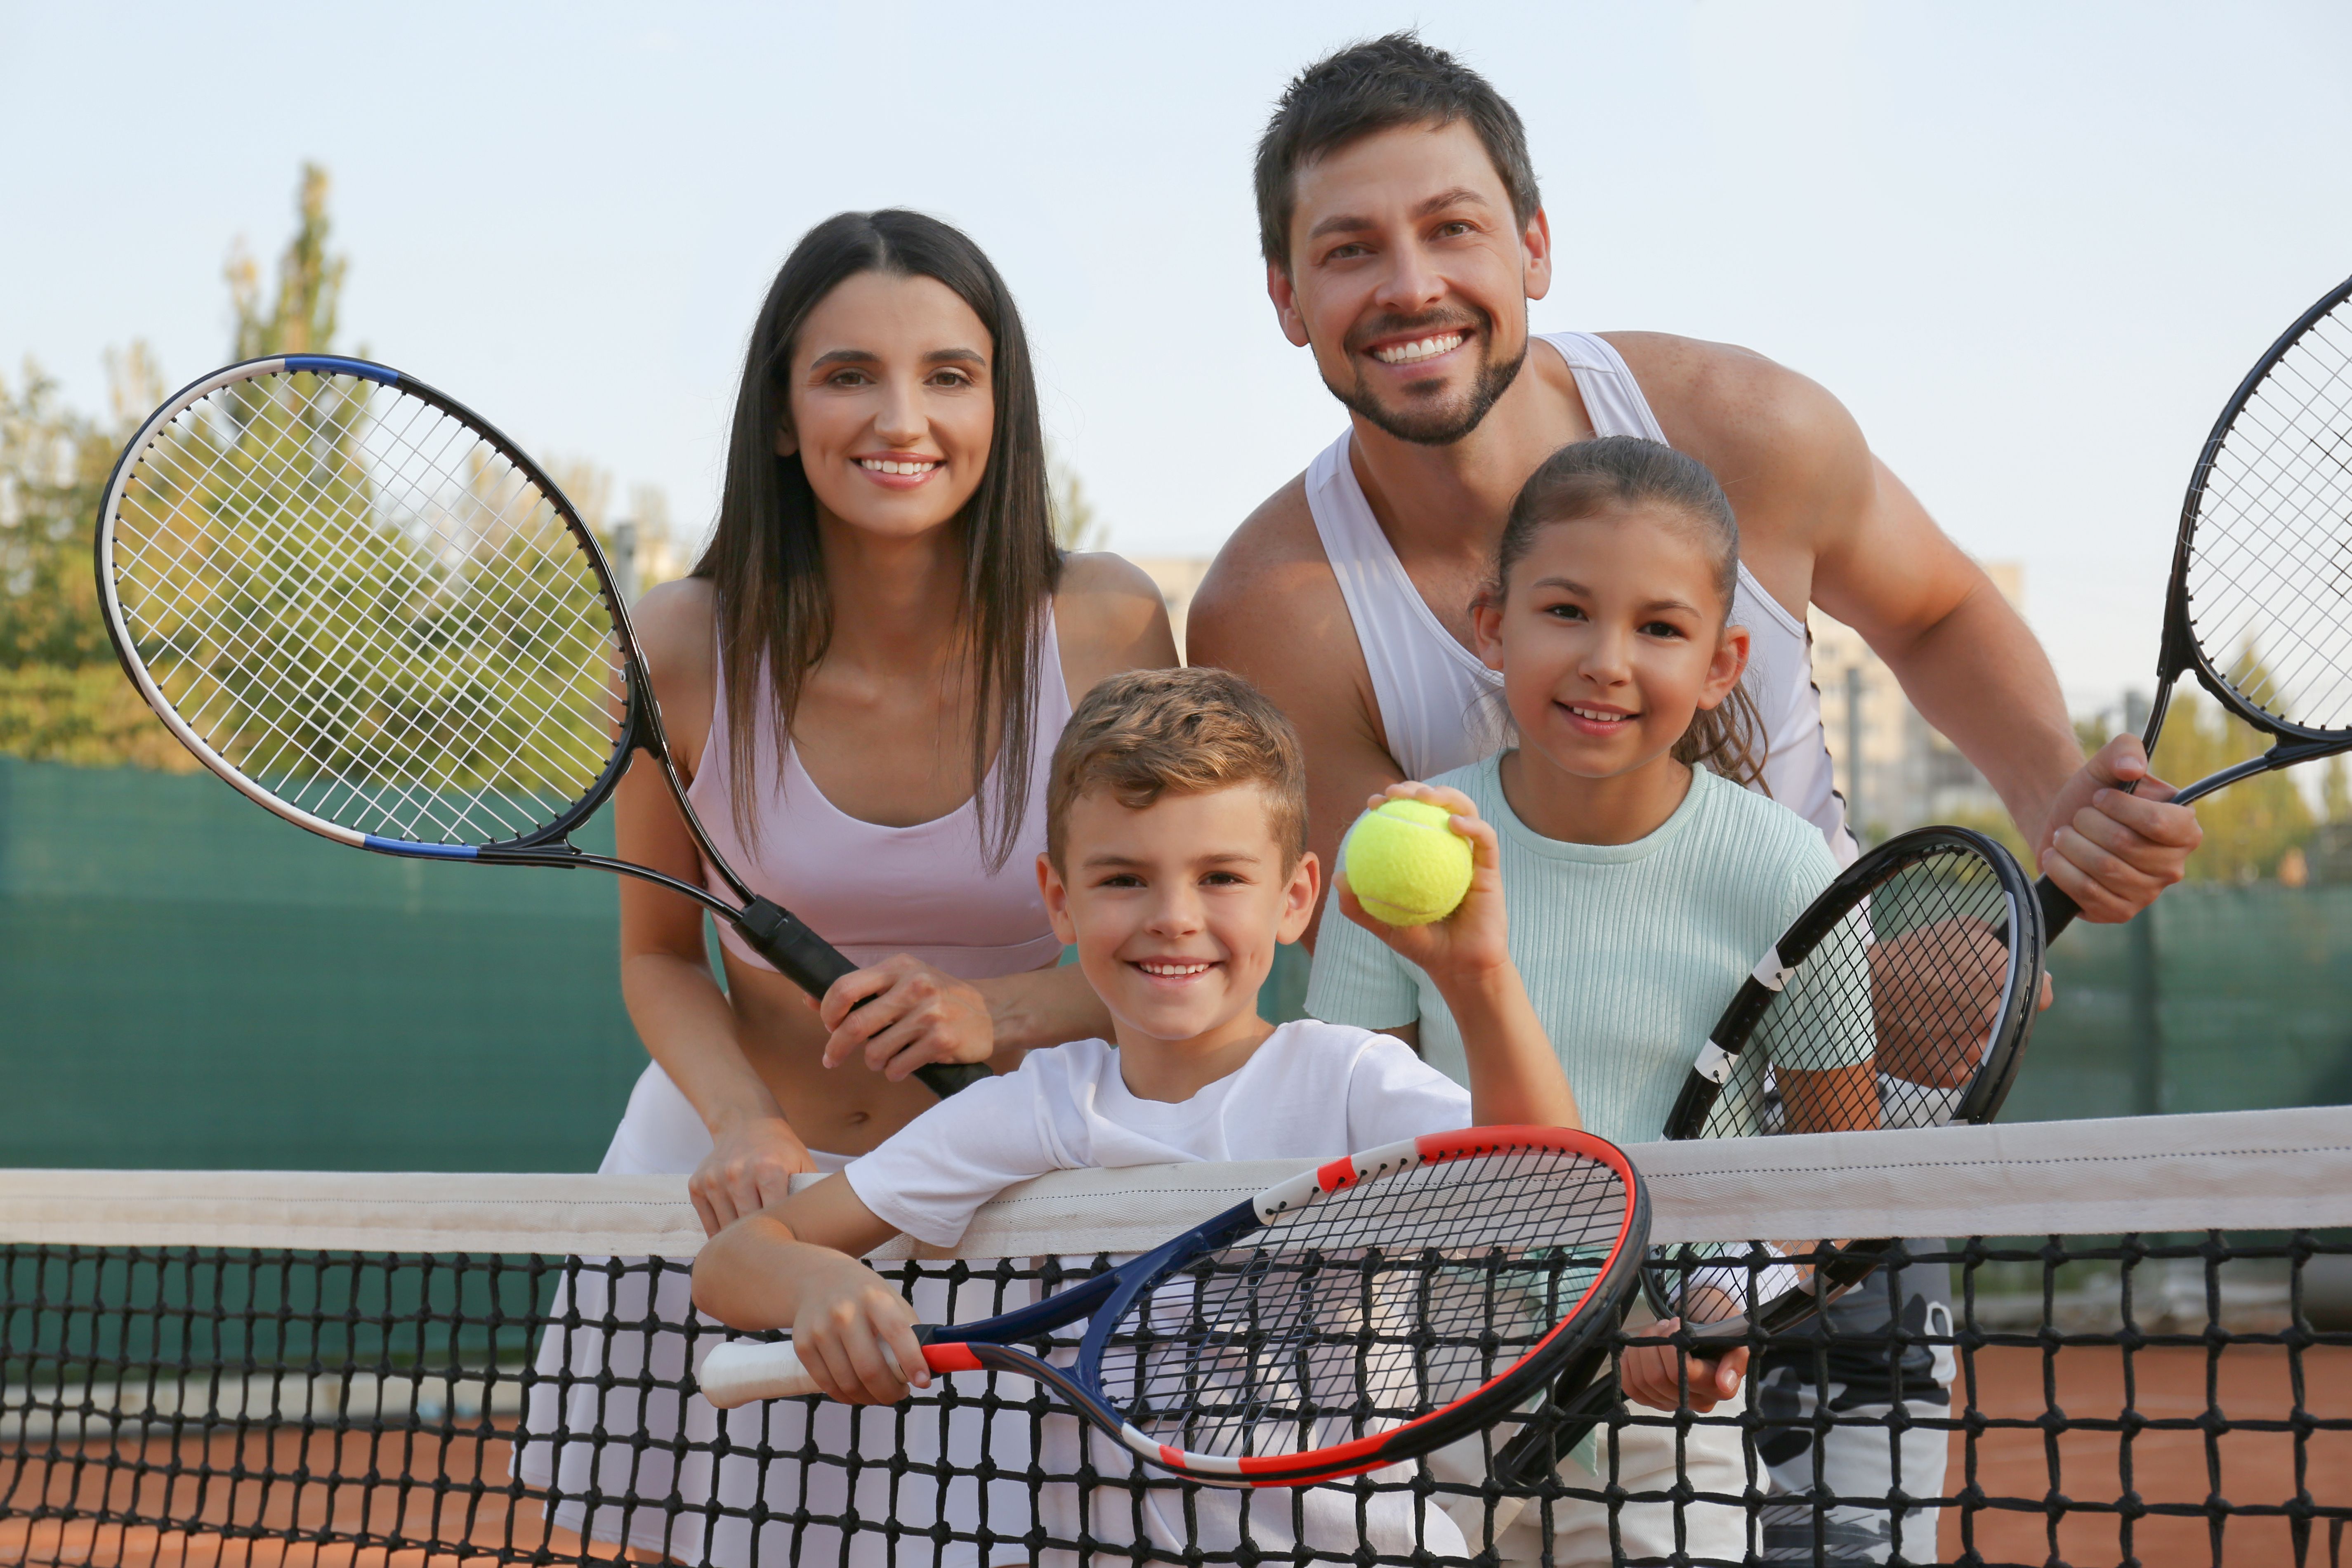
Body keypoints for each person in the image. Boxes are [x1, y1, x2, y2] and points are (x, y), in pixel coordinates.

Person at [1187, 34, 2204, 1563]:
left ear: (1533, 243)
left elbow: (1931, 613)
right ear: (1287, 300)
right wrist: (1599, 1280)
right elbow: (1406, 987)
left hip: (1830, 1170)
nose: (1408, 285)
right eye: (1348, 249)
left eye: (1453, 227)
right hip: (1518, 1246)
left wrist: (2053, 794)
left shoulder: (1748, 423)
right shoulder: (1275, 611)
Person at [516, 209, 1176, 1563]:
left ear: (1003, 405)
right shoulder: (680, 644)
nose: (900, 415)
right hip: (737, 1201)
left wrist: (996, 1012)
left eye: (948, 373)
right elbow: (658, 953)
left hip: (1017, 1203)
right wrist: (741, 1122)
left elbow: (1181, 953)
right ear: (780, 414)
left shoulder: (1106, 626)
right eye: (846, 374)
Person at [692, 666, 1580, 1568]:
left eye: (1221, 876)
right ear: (1059, 900)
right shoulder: (1041, 1105)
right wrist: (814, 1285)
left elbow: (1557, 1190)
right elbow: (732, 1260)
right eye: (1123, 878)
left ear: (1296, 898)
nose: (1173, 918)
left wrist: (1476, 977)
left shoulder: (1344, 1077)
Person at [1310, 436, 1871, 1563]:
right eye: (1564, 611)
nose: (1605, 661)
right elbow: (1339, 1135)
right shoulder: (1400, 849)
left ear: (1720, 663)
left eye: (1658, 628)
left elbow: (1835, 1168)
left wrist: (1724, 1305)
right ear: (1492, 625)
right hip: (1429, 1384)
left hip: (1668, 1405)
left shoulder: (1783, 870)